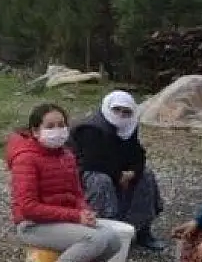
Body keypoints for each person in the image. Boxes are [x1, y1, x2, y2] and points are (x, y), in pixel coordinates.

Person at [6, 103, 123, 262]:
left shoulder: (66, 156)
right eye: (50, 126)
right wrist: (75, 216)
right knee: (94, 239)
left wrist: (84, 210)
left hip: (61, 220)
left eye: (61, 125)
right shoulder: (26, 158)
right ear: (35, 131)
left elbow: (76, 193)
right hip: (32, 225)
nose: (57, 130)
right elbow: (28, 207)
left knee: (113, 240)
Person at [70, 90, 167, 251]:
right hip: (87, 173)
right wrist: (118, 175)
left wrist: (133, 172)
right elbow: (91, 161)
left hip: (118, 171)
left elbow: (138, 154)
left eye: (126, 111)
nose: (121, 115)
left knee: (146, 176)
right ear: (108, 107)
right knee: (101, 181)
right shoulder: (90, 128)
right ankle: (100, 231)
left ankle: (141, 229)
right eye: (117, 110)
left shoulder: (129, 127)